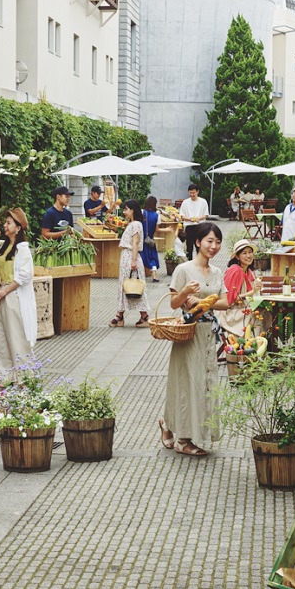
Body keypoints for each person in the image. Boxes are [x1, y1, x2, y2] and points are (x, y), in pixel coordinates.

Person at [156, 222, 225, 457]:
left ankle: (168, 423)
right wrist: (186, 292)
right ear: (197, 242)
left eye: (217, 242)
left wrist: (206, 302)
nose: (213, 246)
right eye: (209, 241)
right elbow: (173, 303)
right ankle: (183, 439)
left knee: (207, 383)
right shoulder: (184, 269)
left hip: (209, 335)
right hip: (189, 333)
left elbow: (226, 302)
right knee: (188, 384)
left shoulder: (216, 272)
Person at [0, 207, 38, 376]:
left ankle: (25, 377)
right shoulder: (4, 248)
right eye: (5, 222)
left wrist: (5, 291)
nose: (4, 225)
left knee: (16, 336)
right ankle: (6, 377)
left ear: (18, 228)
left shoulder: (22, 249)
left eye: (9, 223)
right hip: (0, 294)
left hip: (11, 296)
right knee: (0, 338)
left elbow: (24, 275)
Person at [110, 199, 150, 328]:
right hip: (127, 257)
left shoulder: (136, 224)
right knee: (126, 286)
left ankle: (141, 316)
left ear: (132, 210)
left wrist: (133, 261)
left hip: (130, 257)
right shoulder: (133, 223)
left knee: (133, 287)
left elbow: (135, 243)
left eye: (126, 209)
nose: (124, 212)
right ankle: (120, 315)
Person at [218, 238, 257, 339]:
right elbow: (230, 300)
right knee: (261, 316)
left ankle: (256, 345)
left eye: (250, 252)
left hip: (241, 310)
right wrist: (253, 292)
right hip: (230, 314)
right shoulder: (236, 270)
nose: (248, 256)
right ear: (237, 256)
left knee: (264, 312)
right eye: (244, 253)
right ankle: (252, 346)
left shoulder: (248, 271)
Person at [141, 195, 162, 281]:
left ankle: (138, 276)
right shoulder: (157, 215)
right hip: (150, 240)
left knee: (141, 256)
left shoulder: (142, 212)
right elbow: (157, 229)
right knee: (152, 257)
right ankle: (154, 276)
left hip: (141, 239)